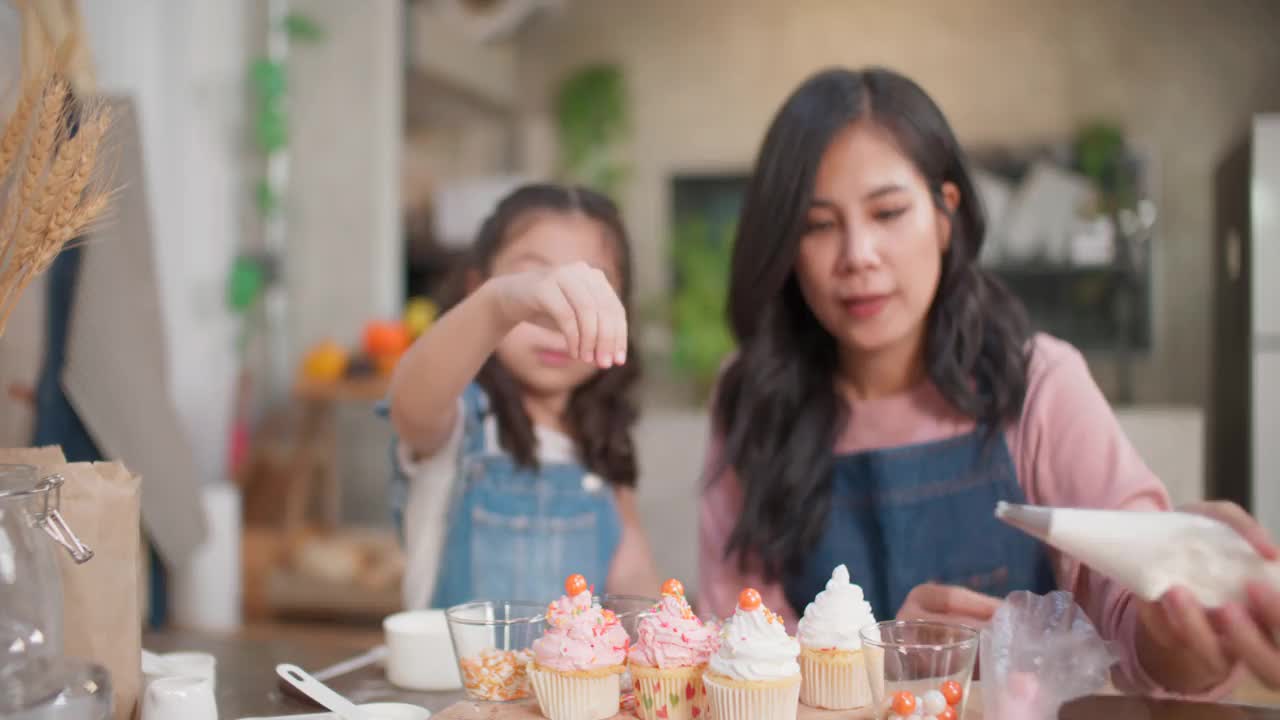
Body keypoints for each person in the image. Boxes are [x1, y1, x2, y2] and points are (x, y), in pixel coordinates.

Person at [697, 67, 1280, 697]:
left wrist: (1179, 619)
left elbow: (1137, 624)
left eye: (888, 212)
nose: (858, 255)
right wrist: (890, 661)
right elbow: (740, 648)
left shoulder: (1038, 383)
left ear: (946, 214)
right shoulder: (752, 399)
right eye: (818, 225)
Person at [387, 183, 658, 609]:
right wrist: (501, 305)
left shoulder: (605, 443)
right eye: (538, 283)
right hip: (453, 679)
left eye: (585, 292)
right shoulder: (462, 416)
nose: (555, 317)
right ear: (477, 287)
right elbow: (410, 401)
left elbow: (634, 585)